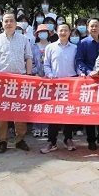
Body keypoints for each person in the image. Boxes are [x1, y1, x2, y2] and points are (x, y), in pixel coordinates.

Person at [0, 12, 33, 154]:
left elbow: (28, 58)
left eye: (11, 21)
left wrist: (28, 76)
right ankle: (3, 140)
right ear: (2, 23)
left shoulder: (24, 39)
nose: (9, 23)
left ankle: (20, 140)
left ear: (15, 23)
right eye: (6, 21)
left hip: (20, 80)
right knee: (2, 112)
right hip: (1, 81)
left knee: (20, 111)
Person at [40, 22, 77, 153]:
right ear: (56, 31)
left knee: (69, 113)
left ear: (69, 32)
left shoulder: (75, 48)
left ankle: (68, 139)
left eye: (66, 30)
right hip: (55, 85)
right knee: (54, 114)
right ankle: (52, 141)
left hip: (71, 85)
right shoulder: (50, 47)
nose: (63, 32)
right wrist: (50, 75)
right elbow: (46, 65)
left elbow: (77, 65)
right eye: (61, 30)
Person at [76, 18, 99, 150]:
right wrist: (89, 72)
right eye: (92, 26)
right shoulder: (83, 43)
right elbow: (79, 61)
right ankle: (91, 139)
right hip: (89, 81)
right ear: (88, 28)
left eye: (96, 26)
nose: (94, 28)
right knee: (90, 110)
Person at [31, 24, 51, 138]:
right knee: (37, 104)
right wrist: (35, 73)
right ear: (37, 34)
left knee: (48, 104)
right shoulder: (33, 47)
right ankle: (37, 127)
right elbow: (30, 61)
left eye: (45, 32)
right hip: (36, 79)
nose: (43, 34)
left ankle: (47, 127)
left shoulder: (52, 46)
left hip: (50, 79)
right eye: (40, 32)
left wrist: (49, 74)